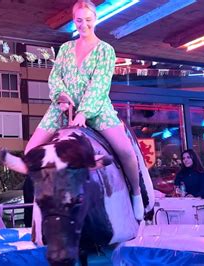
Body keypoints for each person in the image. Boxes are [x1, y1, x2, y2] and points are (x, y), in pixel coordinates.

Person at [9, 0, 144, 220]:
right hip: (62, 108)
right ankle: (47, 197)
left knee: (126, 151)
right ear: (74, 21)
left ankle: (137, 194)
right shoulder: (65, 48)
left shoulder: (105, 50)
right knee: (30, 152)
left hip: (97, 108)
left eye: (88, 20)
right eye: (79, 20)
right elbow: (55, 77)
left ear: (96, 19)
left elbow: (99, 86)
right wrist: (61, 97)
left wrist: (84, 113)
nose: (84, 25)